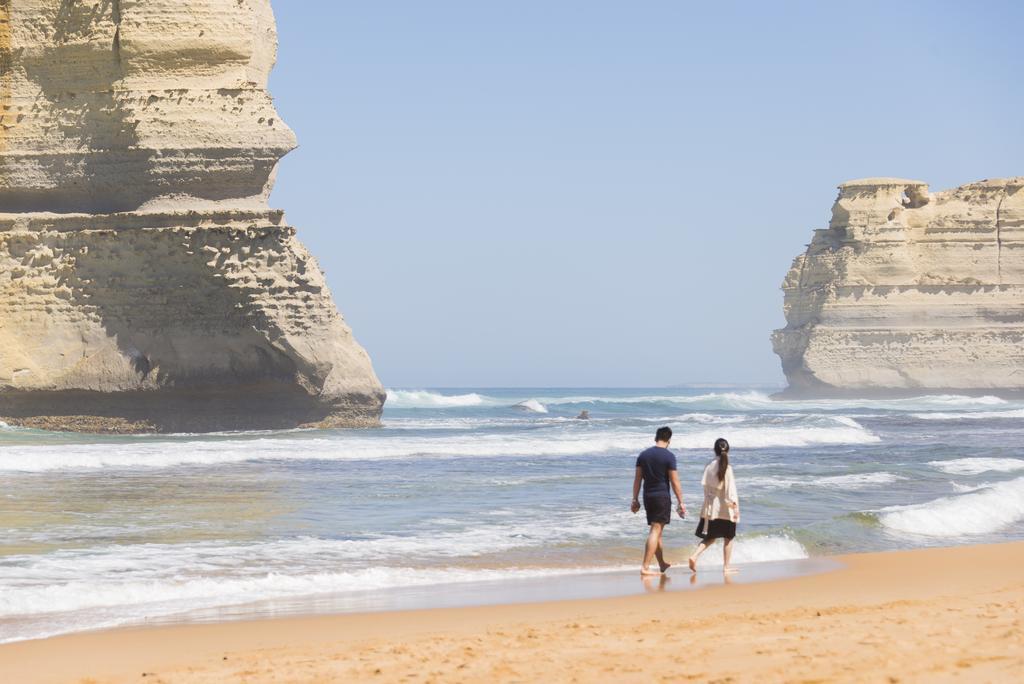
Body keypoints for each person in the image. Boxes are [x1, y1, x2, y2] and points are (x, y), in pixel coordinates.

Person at [631, 426, 686, 575]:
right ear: (669, 440)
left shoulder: (643, 455)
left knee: (657, 530)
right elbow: (675, 482)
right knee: (655, 530)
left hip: (648, 497)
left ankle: (662, 563)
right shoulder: (669, 456)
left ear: (656, 437)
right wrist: (681, 502)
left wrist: (634, 499)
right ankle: (645, 567)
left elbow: (637, 479)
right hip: (662, 497)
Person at [688, 437, 740, 573]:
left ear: (714, 450)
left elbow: (705, 487)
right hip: (725, 509)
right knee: (728, 538)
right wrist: (734, 508)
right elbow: (731, 492)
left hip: (711, 508)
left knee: (710, 537)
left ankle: (694, 556)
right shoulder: (727, 468)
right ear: (727, 451)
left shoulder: (709, 466)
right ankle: (726, 567)